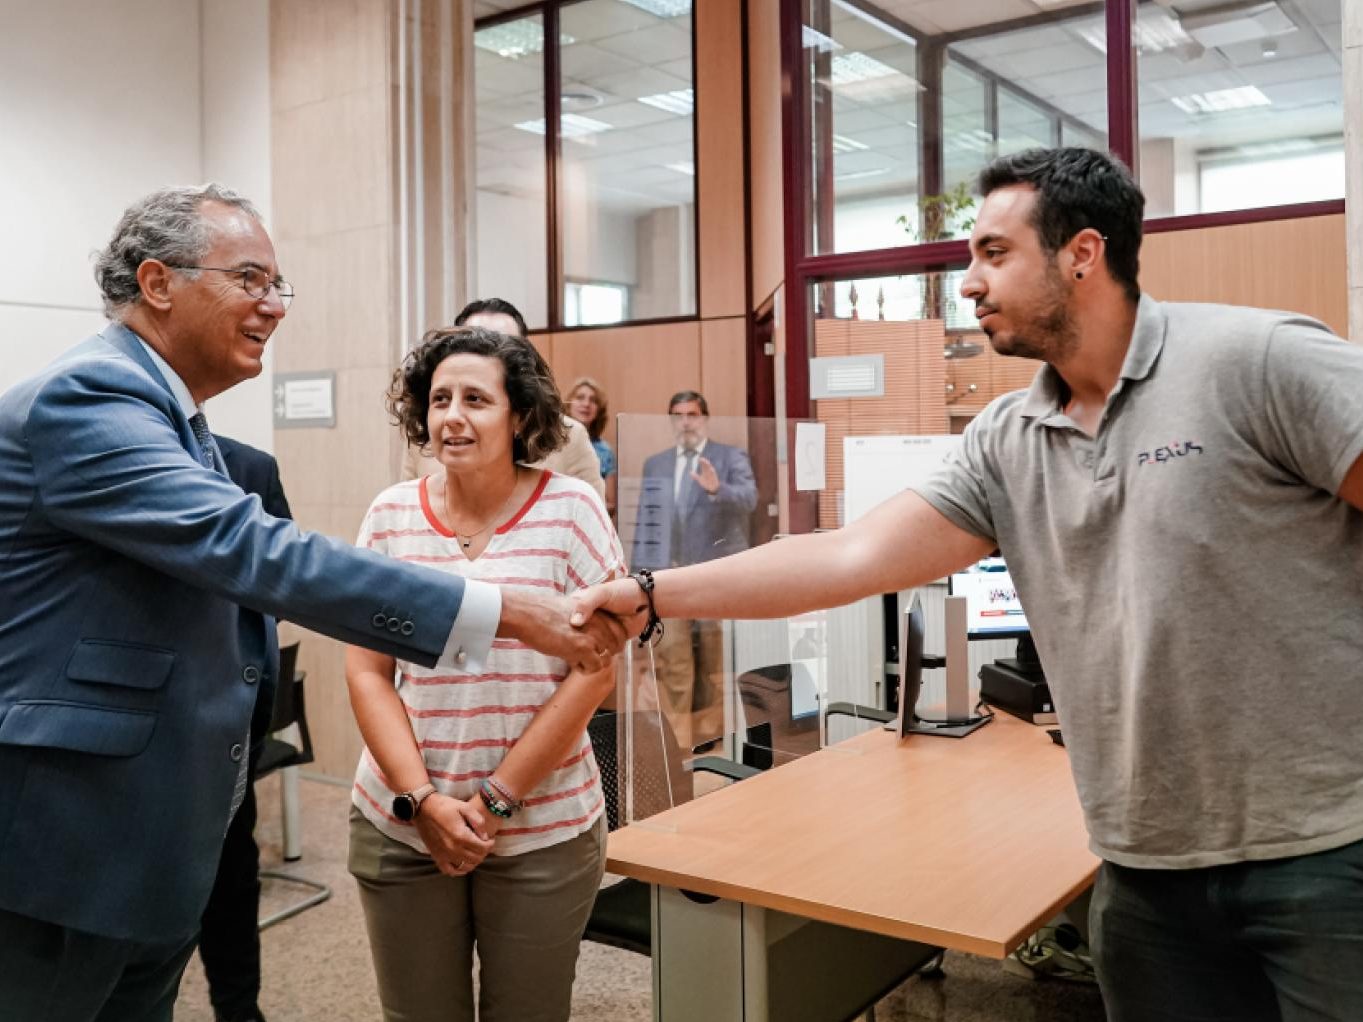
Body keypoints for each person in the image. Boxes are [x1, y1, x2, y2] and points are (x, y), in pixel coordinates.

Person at [578, 148, 1363, 1022]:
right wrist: (650, 593)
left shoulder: (1254, 361)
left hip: (1326, 853)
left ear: (1081, 253)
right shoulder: (1007, 437)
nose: (968, 283)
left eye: (993, 253)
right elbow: (847, 556)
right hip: (1143, 871)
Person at [0, 184, 625, 1022]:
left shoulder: (181, 423)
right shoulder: (91, 397)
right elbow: (253, 551)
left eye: (277, 284)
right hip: (70, 843)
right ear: (157, 283)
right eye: (250, 280)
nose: (275, 305)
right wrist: (505, 611)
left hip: (144, 840)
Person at [346, 325, 624, 1022]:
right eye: (440, 399)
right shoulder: (390, 515)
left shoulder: (571, 509)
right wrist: (423, 801)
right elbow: (367, 671)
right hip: (403, 822)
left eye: (476, 399)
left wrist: (496, 800)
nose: (452, 416)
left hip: (543, 827)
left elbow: (595, 671)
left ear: (520, 416)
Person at [195, 434, 292, 1022]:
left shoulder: (252, 467)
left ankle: (239, 1009)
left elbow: (286, 581)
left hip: (230, 724)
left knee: (232, 877)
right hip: (138, 735)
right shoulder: (113, 448)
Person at [631, 390, 756, 748]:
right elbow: (646, 521)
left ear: (705, 419)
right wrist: (638, 576)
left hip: (715, 577)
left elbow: (750, 499)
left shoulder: (729, 457)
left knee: (713, 665)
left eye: (692, 415)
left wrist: (718, 490)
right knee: (675, 665)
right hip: (668, 580)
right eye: (678, 415)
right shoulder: (656, 464)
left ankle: (709, 737)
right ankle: (679, 744)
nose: (685, 422)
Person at [401, 298, 605, 499]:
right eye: (473, 343)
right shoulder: (428, 437)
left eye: (503, 344)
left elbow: (590, 510)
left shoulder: (570, 436)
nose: (488, 354)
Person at [565, 376, 617, 517]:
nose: (586, 404)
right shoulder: (553, 443)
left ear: (599, 409)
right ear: (568, 404)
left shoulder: (605, 451)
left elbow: (611, 505)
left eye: (593, 400)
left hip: (591, 522)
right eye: (580, 397)